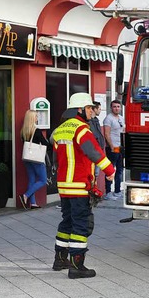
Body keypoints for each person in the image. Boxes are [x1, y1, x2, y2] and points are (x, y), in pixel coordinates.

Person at [50, 93, 115, 279]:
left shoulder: (60, 129)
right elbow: (94, 153)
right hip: (78, 184)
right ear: (80, 109)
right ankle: (77, 265)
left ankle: (60, 259)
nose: (91, 112)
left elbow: (57, 156)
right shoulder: (81, 130)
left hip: (64, 185)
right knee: (81, 224)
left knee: (67, 221)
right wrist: (110, 170)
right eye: (88, 108)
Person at [19, 110, 49, 210]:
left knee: (32, 179)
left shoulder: (23, 130)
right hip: (36, 158)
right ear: (32, 118)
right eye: (36, 116)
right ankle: (26, 195)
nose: (37, 118)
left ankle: (33, 203)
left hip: (27, 158)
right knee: (43, 180)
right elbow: (45, 143)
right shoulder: (36, 130)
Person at [103, 99, 125, 200]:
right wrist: (111, 146)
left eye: (118, 106)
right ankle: (108, 192)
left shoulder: (121, 118)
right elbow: (107, 134)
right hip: (113, 147)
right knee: (111, 170)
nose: (116, 108)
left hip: (120, 147)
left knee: (120, 170)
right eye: (114, 107)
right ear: (111, 108)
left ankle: (117, 191)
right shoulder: (108, 119)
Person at [89, 101, 106, 180]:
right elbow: (94, 135)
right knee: (93, 172)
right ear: (94, 109)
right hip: (94, 150)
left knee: (96, 172)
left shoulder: (96, 120)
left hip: (99, 149)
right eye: (99, 109)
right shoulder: (89, 122)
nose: (100, 110)